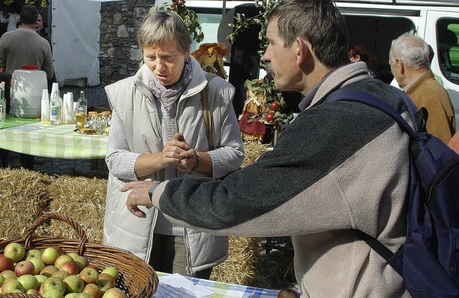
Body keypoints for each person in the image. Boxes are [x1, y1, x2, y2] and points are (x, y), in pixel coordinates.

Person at [122, 0, 412, 296]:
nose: (266, 56)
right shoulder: (382, 97)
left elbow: (237, 203)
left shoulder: (336, 123)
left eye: (272, 44)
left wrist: (158, 192)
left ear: (299, 50)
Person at [103, 11, 245, 278]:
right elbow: (114, 159)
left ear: (187, 52)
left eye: (168, 58)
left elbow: (235, 153)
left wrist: (197, 160)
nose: (159, 66)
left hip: (190, 223)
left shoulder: (216, 92)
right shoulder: (123, 94)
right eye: (151, 57)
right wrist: (161, 158)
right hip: (138, 223)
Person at [389, 32, 456, 143]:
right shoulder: (424, 90)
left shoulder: (428, 95)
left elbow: (439, 150)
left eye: (390, 64)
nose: (392, 70)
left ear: (399, 64)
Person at [0, 4, 54, 80]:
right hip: (35, 87)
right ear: (36, 19)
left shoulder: (6, 38)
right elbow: (49, 74)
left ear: (20, 18)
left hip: (12, 86)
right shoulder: (44, 43)